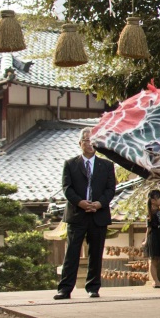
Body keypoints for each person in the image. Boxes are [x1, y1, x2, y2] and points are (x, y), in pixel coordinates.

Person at [54, 128, 117, 300]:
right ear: (80, 143)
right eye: (87, 140)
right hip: (77, 214)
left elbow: (111, 189)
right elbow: (67, 188)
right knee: (72, 252)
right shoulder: (70, 164)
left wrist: (99, 203)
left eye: (93, 141)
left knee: (96, 253)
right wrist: (81, 203)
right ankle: (65, 288)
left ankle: (93, 287)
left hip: (99, 214)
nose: (90, 144)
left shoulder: (107, 165)